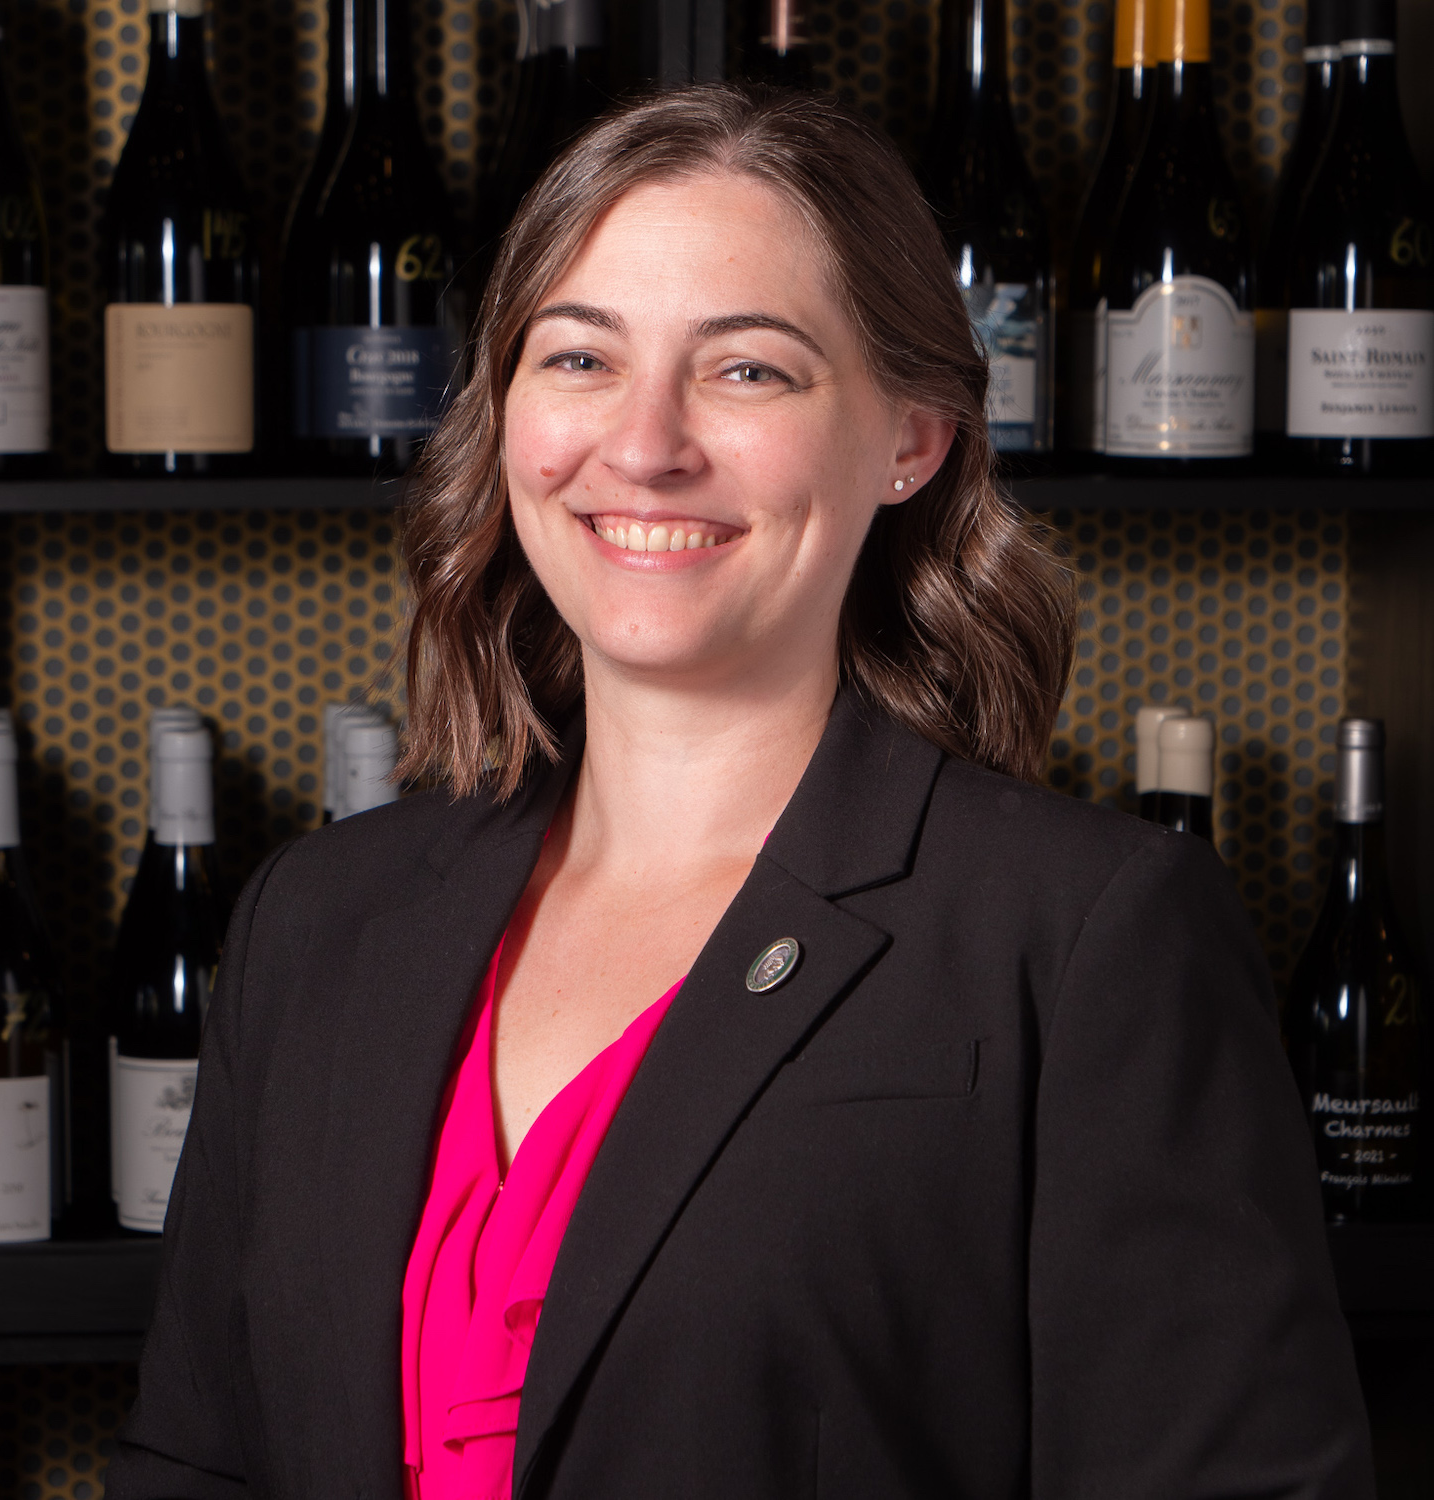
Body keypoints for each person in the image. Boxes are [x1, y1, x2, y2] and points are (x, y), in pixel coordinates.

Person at [105, 86, 1372, 1500]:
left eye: (747, 371)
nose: (645, 445)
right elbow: (197, 1457)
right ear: (506, 412)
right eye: (579, 358)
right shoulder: (316, 921)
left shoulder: (1088, 939)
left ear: (913, 436)